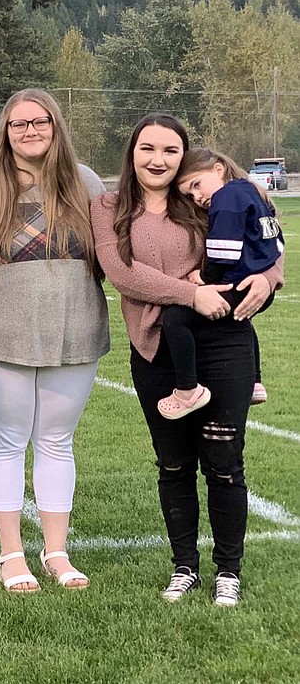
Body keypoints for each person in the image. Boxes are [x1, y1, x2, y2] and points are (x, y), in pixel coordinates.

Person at [91, 115, 283, 607]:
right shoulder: (108, 206)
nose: (158, 160)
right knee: (174, 465)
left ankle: (228, 571)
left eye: (170, 151)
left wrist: (270, 277)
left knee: (223, 463)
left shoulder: (203, 198)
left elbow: (263, 235)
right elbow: (122, 273)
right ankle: (184, 568)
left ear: (185, 156)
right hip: (157, 348)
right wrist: (188, 295)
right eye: (148, 148)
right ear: (132, 151)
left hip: (224, 344)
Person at [0, 88, 109, 593]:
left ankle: (57, 552)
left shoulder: (84, 182)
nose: (30, 131)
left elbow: (121, 243)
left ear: (55, 126)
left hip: (75, 328)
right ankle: (11, 554)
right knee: (7, 441)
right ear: (6, 131)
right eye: (19, 124)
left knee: (57, 442)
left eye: (40, 122)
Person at [157, 147, 282, 419]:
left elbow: (223, 251)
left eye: (196, 185)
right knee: (241, 320)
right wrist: (266, 275)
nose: (197, 197)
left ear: (218, 169)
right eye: (190, 195)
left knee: (176, 319)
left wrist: (203, 277)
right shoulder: (252, 192)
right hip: (255, 283)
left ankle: (187, 390)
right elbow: (277, 243)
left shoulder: (226, 198)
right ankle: (254, 382)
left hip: (239, 283)